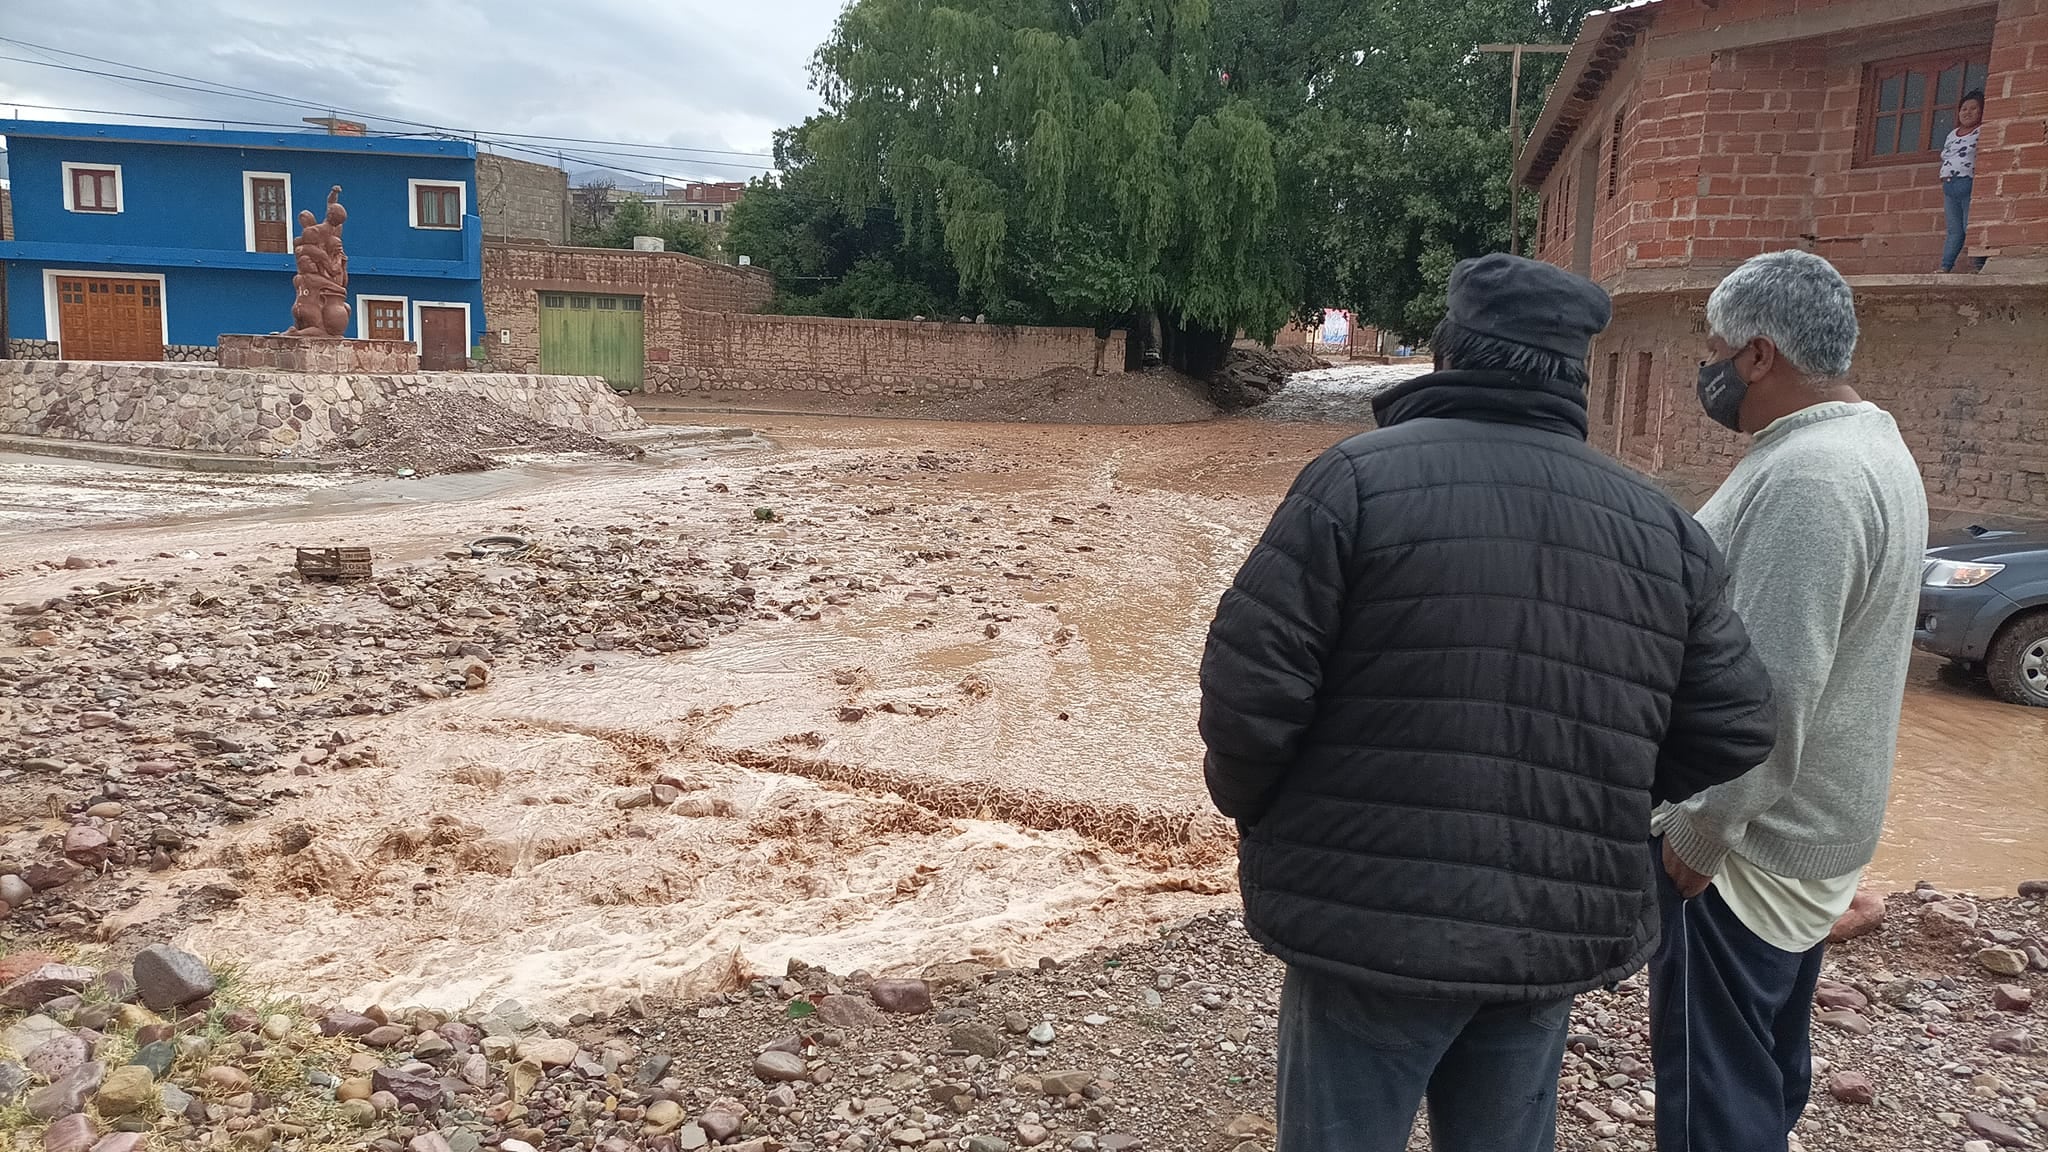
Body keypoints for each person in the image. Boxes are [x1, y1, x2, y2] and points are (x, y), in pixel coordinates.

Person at [1199, 253, 1778, 1152]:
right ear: (1577, 375)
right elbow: (1739, 722)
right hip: (1547, 929)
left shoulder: (1351, 484)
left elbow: (1247, 696)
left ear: (1449, 355)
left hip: (1366, 916)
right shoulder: (1662, 527)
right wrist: (1608, 786)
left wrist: (1272, 812)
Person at [1654, 249, 1928, 1151]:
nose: (1709, 370)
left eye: (1715, 351)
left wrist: (1704, 826)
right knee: (1766, 1066)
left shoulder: (1812, 479)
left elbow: (1771, 686)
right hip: (1812, 829)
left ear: (1760, 356)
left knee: (1714, 1096)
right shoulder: (1869, 446)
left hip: (1750, 853)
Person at [1940, 90, 1988, 273]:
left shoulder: (1981, 131)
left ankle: (1979, 266)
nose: (1967, 112)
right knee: (1954, 231)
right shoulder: (1952, 134)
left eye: (1974, 108)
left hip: (1968, 184)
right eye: (1964, 109)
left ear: (1982, 112)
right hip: (1949, 186)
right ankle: (1945, 266)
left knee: (1971, 227)